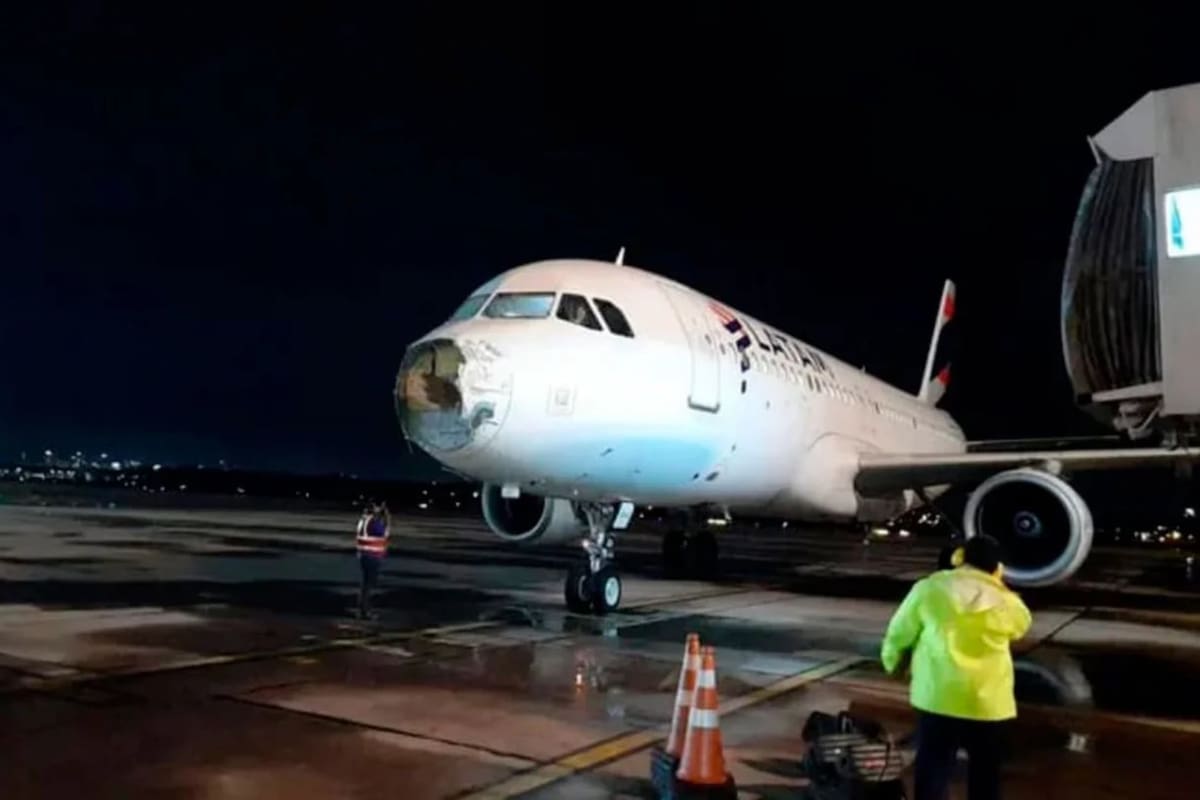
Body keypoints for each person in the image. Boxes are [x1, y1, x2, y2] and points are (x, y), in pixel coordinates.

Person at [881, 535, 1032, 800]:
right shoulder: (1006, 601)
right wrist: (997, 586)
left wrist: (893, 664)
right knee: (985, 774)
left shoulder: (929, 588)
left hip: (939, 697)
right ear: (998, 567)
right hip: (987, 703)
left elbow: (899, 633)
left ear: (959, 558)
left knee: (932, 769)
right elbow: (1021, 626)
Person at [355, 501, 391, 619]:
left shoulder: (363, 521)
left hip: (364, 555)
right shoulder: (373, 522)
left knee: (365, 585)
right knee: (368, 586)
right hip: (371, 556)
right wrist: (387, 517)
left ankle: (362, 609)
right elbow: (384, 533)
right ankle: (365, 611)